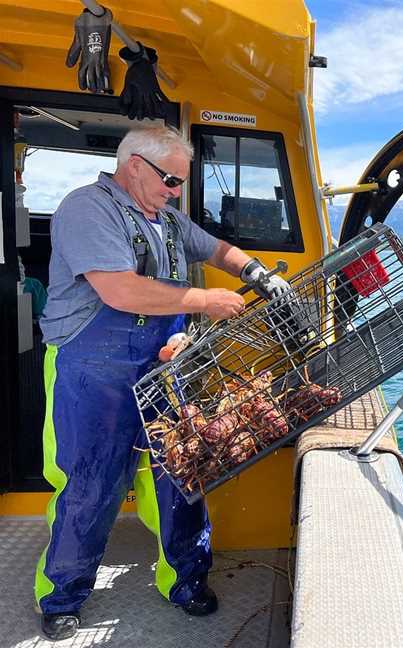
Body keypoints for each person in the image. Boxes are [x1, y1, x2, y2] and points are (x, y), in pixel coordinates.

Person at [35, 126, 289, 641]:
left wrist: (262, 275)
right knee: (91, 483)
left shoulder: (168, 219)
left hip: (163, 366)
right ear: (134, 165)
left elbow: (217, 249)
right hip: (93, 369)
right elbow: (120, 290)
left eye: (181, 181)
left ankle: (185, 580)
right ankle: (62, 595)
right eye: (170, 179)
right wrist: (203, 302)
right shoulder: (87, 208)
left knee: (182, 472)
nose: (176, 190)